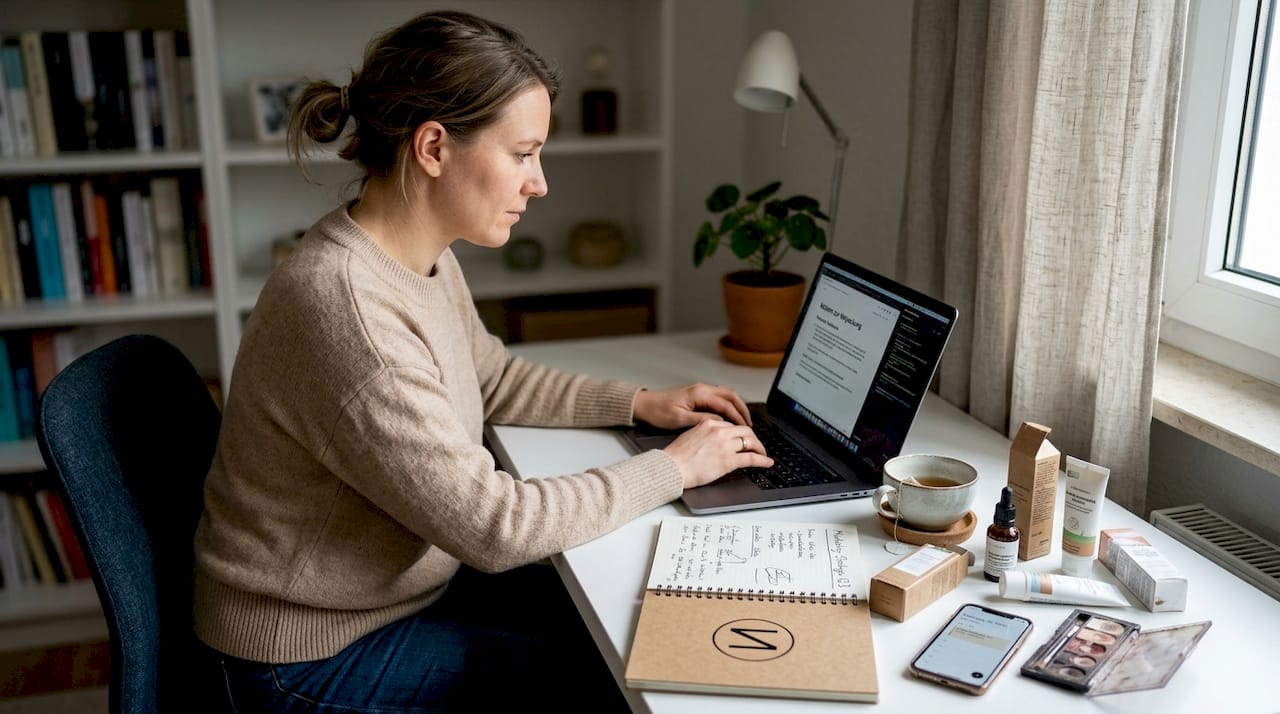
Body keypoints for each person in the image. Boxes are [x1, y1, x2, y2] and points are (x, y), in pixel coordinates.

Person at [192, 9, 772, 712]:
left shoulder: (415, 255)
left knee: (616, 616)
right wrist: (673, 467)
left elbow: (489, 376)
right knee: (608, 680)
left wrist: (638, 404)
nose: (540, 183)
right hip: (307, 657)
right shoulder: (347, 310)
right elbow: (495, 529)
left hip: (395, 595)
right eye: (523, 153)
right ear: (434, 147)